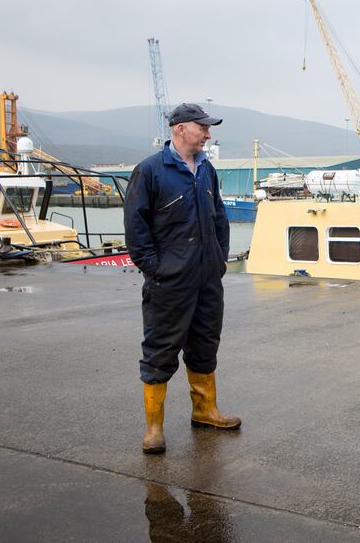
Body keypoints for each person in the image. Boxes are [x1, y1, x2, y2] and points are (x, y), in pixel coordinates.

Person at [125, 103, 241, 455]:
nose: (208, 133)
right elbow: (136, 226)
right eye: (202, 127)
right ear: (179, 129)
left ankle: (205, 410)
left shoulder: (207, 170)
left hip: (207, 278)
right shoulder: (150, 171)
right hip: (170, 282)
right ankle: (154, 427)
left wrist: (219, 259)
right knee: (160, 349)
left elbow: (219, 216)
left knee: (205, 344)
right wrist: (156, 268)